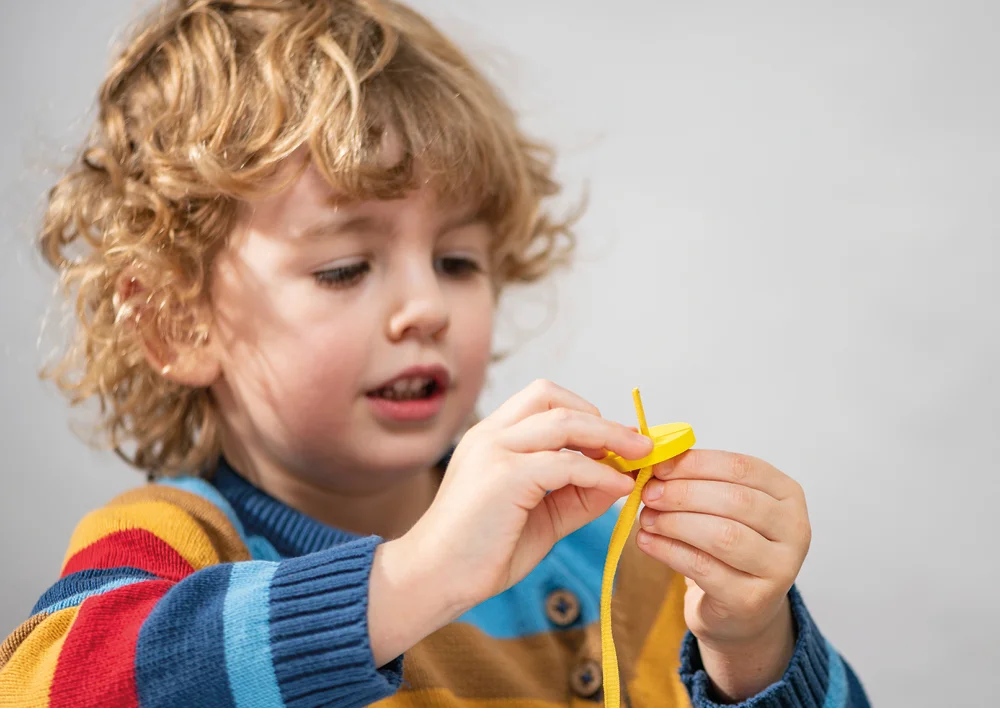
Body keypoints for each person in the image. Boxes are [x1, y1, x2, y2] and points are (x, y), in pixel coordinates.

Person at [0, 1, 870, 706]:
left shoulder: (613, 558)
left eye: (457, 262)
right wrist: (412, 579)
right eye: (345, 268)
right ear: (174, 324)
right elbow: (43, 691)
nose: (426, 308)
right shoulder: (175, 545)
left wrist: (752, 645)